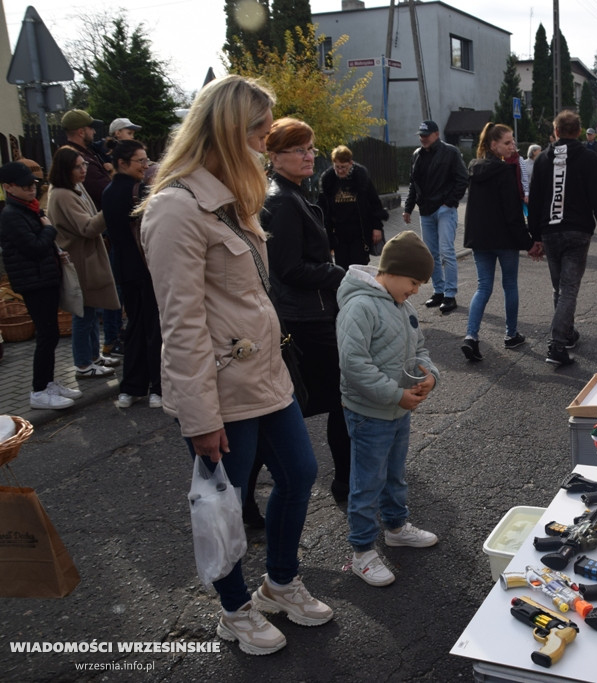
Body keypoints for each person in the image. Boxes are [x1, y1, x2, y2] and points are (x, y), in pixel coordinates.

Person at [140, 75, 334, 655]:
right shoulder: (177, 207)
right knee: (224, 502)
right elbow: (180, 322)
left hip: (266, 377)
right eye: (258, 130)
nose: (265, 141)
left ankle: (279, 583)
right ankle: (233, 610)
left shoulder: (234, 198)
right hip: (220, 389)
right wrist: (199, 417)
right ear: (227, 131)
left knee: (299, 474)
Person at [336, 230, 440, 587]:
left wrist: (431, 376)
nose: (415, 291)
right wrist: (395, 395)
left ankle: (395, 527)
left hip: (398, 410)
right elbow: (354, 364)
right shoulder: (360, 306)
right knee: (367, 483)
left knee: (394, 475)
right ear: (392, 271)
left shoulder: (404, 306)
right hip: (369, 413)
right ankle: (362, 551)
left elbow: (421, 350)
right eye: (413, 282)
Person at [261, 117, 351, 511]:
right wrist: (341, 274)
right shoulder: (281, 199)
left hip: (310, 313)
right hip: (304, 320)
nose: (309, 156)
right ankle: (346, 486)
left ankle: (346, 483)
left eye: (311, 148)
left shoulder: (292, 193)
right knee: (338, 401)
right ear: (275, 155)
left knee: (323, 403)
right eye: (299, 149)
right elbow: (288, 268)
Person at [528, 110, 597, 367]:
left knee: (561, 288)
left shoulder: (543, 159)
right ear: (579, 132)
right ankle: (557, 344)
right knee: (568, 289)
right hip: (577, 231)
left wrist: (534, 237)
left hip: (549, 231)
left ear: (556, 132)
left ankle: (567, 334)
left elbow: (534, 201)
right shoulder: (588, 158)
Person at [0, 162, 83, 409]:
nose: (32, 190)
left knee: (51, 334)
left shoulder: (28, 210)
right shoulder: (12, 215)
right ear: (8, 187)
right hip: (33, 282)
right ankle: (39, 390)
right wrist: (49, 231)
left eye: (33, 185)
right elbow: (34, 247)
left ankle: (48, 382)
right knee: (46, 335)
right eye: (25, 186)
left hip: (43, 278)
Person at [47, 146, 120, 379]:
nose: (83, 170)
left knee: (89, 311)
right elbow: (87, 227)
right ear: (65, 169)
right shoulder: (62, 194)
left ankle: (93, 357)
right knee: (83, 314)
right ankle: (82, 364)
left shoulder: (75, 188)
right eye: (78, 166)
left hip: (86, 258)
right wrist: (109, 207)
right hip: (80, 261)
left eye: (84, 165)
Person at [460, 123, 529, 362]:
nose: (513, 147)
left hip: (480, 239)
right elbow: (512, 213)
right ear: (493, 145)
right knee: (509, 284)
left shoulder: (474, 168)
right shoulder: (503, 171)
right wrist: (528, 241)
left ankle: (471, 336)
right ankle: (511, 335)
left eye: (513, 142)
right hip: (505, 239)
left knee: (483, 287)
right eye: (508, 143)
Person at [102, 140, 162, 409]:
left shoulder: (107, 191)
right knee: (155, 327)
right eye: (141, 161)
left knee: (135, 326)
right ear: (122, 163)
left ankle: (130, 387)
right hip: (147, 268)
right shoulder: (140, 191)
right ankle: (158, 388)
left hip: (125, 269)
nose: (145, 166)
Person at [402, 120, 468, 314]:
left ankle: (450, 295)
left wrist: (449, 202)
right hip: (426, 210)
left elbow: (462, 178)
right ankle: (439, 291)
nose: (423, 138)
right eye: (421, 135)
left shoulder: (450, 152)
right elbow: (413, 183)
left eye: (426, 134)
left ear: (436, 134)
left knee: (447, 251)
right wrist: (407, 208)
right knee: (431, 254)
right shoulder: (417, 155)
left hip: (444, 209)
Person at [318, 144, 388, 268]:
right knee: (341, 267)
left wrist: (377, 227)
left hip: (359, 231)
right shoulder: (328, 180)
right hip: (338, 233)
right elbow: (323, 208)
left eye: (343, 167)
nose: (340, 171)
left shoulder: (361, 177)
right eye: (337, 167)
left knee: (359, 266)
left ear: (350, 163)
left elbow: (374, 203)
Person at [60, 109, 110, 210]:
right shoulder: (80, 160)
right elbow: (107, 193)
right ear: (81, 132)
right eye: (91, 128)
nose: (94, 132)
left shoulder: (83, 154)